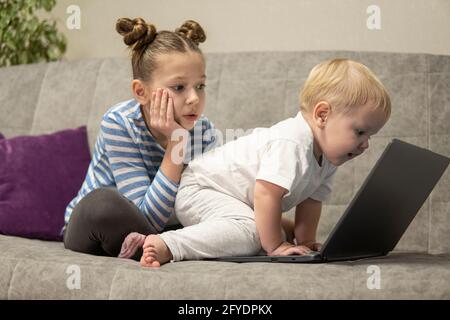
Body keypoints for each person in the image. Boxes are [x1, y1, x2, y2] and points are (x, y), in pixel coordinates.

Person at [140, 58, 392, 268]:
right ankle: (169, 245)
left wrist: (306, 241)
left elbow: (311, 201)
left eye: (370, 136)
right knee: (253, 234)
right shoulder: (293, 141)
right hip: (200, 189)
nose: (365, 144)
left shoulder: (327, 159)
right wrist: (276, 246)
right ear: (322, 115)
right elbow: (266, 194)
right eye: (360, 132)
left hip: (233, 200)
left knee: (265, 228)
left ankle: (267, 236)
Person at [63, 17, 218, 261]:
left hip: (168, 231)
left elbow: (209, 202)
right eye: (179, 87)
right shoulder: (119, 123)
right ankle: (163, 247)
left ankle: (157, 248)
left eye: (200, 86)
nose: (194, 99)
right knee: (103, 205)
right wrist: (176, 143)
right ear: (141, 92)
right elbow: (147, 218)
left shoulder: (204, 131)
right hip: (95, 230)